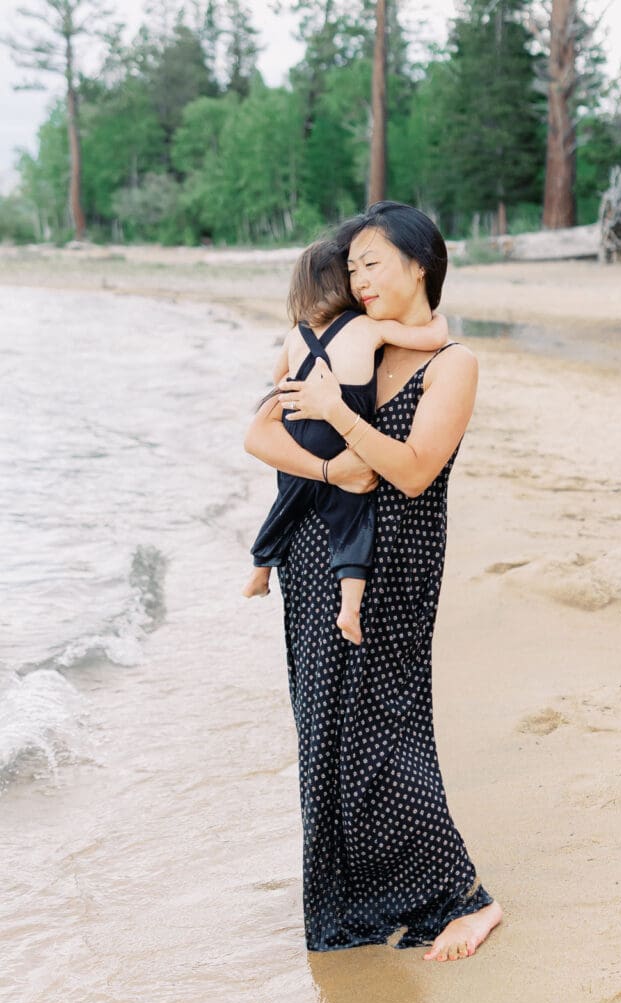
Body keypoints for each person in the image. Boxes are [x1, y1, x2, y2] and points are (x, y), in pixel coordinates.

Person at [244, 201, 503, 962]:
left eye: (373, 263)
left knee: (386, 727)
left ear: (420, 264)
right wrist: (328, 463)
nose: (358, 278)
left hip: (396, 562)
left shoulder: (452, 362)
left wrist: (338, 418)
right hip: (312, 560)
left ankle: (466, 899)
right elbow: (264, 434)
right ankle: (354, 896)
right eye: (351, 265)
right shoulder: (342, 342)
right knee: (325, 727)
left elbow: (416, 470)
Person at [242, 238, 447, 645]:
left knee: (284, 503)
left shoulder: (295, 335)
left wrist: (296, 381)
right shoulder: (369, 328)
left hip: (301, 427)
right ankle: (350, 608)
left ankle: (260, 570)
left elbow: (278, 377)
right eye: (354, 271)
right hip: (339, 435)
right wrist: (439, 321)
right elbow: (429, 339)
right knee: (352, 520)